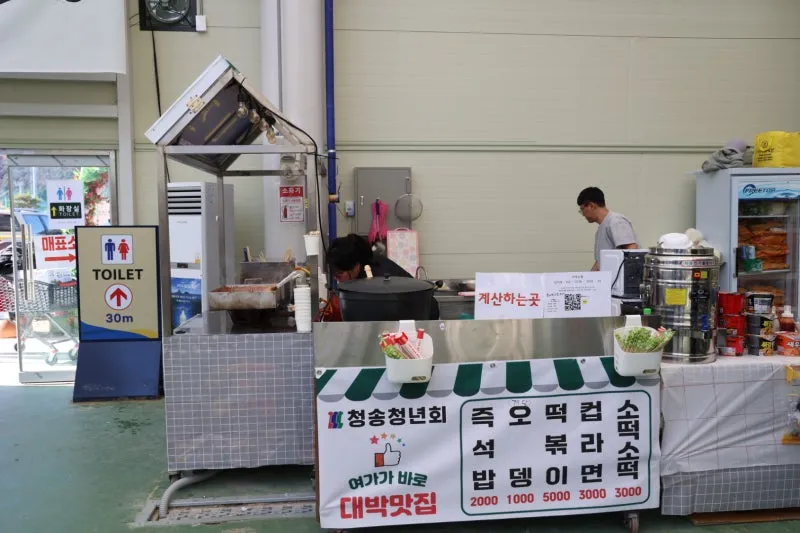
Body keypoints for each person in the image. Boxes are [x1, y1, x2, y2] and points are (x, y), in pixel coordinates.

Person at [319, 234, 439, 321]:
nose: (336, 279)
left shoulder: (376, 278)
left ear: (355, 266)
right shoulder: (364, 267)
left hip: (422, 317)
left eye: (339, 274)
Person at [577, 187, 638, 271]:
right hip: (610, 278)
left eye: (582, 209)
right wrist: (588, 277)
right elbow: (600, 262)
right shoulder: (602, 228)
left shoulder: (615, 221)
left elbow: (632, 249)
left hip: (621, 279)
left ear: (591, 206)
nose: (583, 214)